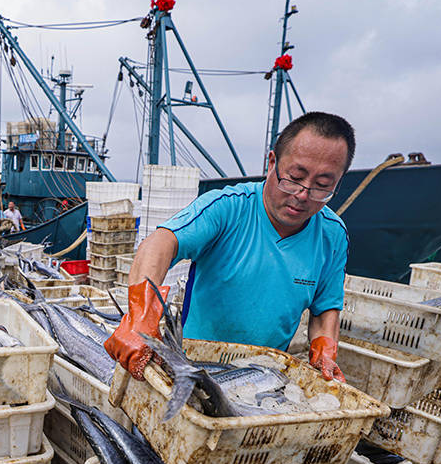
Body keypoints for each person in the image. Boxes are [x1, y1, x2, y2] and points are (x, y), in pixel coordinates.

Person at [105, 111, 354, 383]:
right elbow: (159, 244)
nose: (303, 195)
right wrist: (140, 318)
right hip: (192, 368)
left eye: (322, 186)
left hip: (264, 377)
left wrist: (324, 352)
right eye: (294, 177)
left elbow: (325, 306)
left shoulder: (333, 234)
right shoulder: (228, 207)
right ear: (272, 163)